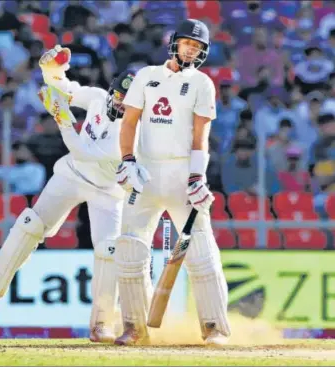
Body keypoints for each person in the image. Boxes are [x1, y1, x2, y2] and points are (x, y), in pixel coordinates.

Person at [0, 45, 147, 344]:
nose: (119, 106)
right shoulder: (96, 97)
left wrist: (62, 118)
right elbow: (65, 87)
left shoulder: (130, 133)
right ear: (112, 91)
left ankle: (102, 323)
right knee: (31, 223)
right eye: (118, 97)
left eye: (127, 103)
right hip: (71, 175)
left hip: (107, 191)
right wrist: (51, 69)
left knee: (109, 250)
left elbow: (82, 150)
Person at [114, 19, 230, 346]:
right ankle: (133, 327)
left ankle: (213, 327)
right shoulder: (146, 76)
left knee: (201, 250)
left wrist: (197, 176)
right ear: (174, 43)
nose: (191, 50)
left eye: (197, 47)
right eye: (187, 43)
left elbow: (200, 136)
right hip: (146, 173)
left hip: (182, 174)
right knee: (129, 248)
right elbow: (129, 122)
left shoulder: (202, 83)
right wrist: (127, 160)